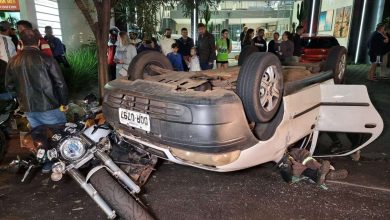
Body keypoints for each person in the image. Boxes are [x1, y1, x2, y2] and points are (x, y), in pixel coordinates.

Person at [278, 148, 348, 185]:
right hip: (278, 156)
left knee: (302, 154)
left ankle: (322, 170)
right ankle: (320, 174)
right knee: (294, 164)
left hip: (285, 150)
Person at [0, 21, 17, 98]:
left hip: (3, 74)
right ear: (8, 29)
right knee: (7, 97)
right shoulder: (4, 40)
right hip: (5, 74)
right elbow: (7, 58)